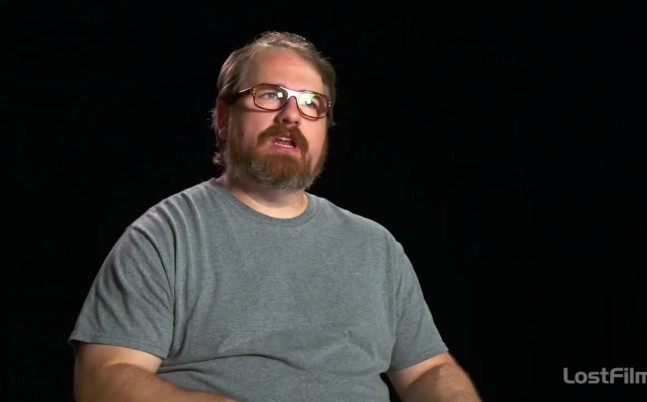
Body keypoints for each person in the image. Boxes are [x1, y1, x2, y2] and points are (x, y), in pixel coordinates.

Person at [68, 30, 482, 402]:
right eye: (269, 95)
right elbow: (104, 378)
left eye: (312, 103)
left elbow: (428, 370)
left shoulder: (376, 247)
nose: (291, 114)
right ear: (224, 118)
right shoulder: (165, 236)